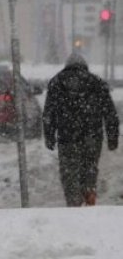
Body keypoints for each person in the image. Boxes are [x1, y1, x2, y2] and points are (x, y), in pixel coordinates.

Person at [43, 52, 119, 207]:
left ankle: (74, 203)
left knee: (69, 172)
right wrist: (112, 137)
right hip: (92, 136)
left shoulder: (56, 83)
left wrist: (49, 136)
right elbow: (110, 113)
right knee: (90, 167)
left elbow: (48, 114)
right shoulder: (97, 83)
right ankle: (89, 194)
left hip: (67, 137)